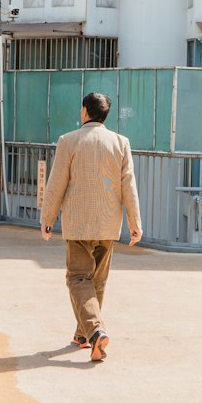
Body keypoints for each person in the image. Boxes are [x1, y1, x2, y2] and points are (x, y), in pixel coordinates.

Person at [40, 91, 143, 363]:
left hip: (78, 223)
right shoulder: (121, 142)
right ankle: (83, 336)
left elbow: (56, 183)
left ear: (84, 110)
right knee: (96, 281)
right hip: (109, 224)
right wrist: (135, 223)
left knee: (77, 279)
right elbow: (128, 186)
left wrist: (47, 219)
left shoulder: (68, 141)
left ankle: (96, 332)